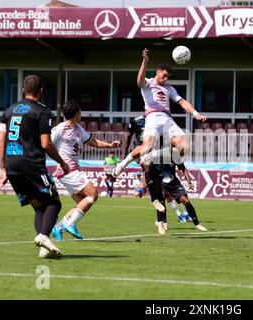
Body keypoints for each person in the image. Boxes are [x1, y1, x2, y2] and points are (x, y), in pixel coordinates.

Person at [0, 75, 69, 259]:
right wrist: (62, 162)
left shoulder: (9, 110)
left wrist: (2, 168)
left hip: (12, 165)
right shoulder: (42, 111)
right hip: (31, 164)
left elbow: (0, 140)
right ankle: (43, 236)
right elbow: (46, 144)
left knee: (39, 207)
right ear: (41, 91)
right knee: (54, 202)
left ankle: (44, 247)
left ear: (23, 90)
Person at [113, 48, 207, 176]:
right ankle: (123, 163)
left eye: (168, 77)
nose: (166, 79)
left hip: (167, 119)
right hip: (153, 116)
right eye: (164, 76)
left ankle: (154, 154)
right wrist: (144, 62)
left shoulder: (169, 88)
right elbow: (139, 81)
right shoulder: (148, 83)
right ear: (157, 72)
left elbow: (182, 102)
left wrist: (196, 114)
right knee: (145, 148)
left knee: (184, 147)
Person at [50, 100, 121, 241]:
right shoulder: (60, 128)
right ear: (76, 113)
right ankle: (71, 224)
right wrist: (60, 161)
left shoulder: (78, 129)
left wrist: (110, 145)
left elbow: (92, 141)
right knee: (93, 194)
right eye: (80, 111)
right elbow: (46, 144)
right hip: (67, 169)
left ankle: (57, 228)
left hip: (71, 170)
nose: (81, 114)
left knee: (82, 203)